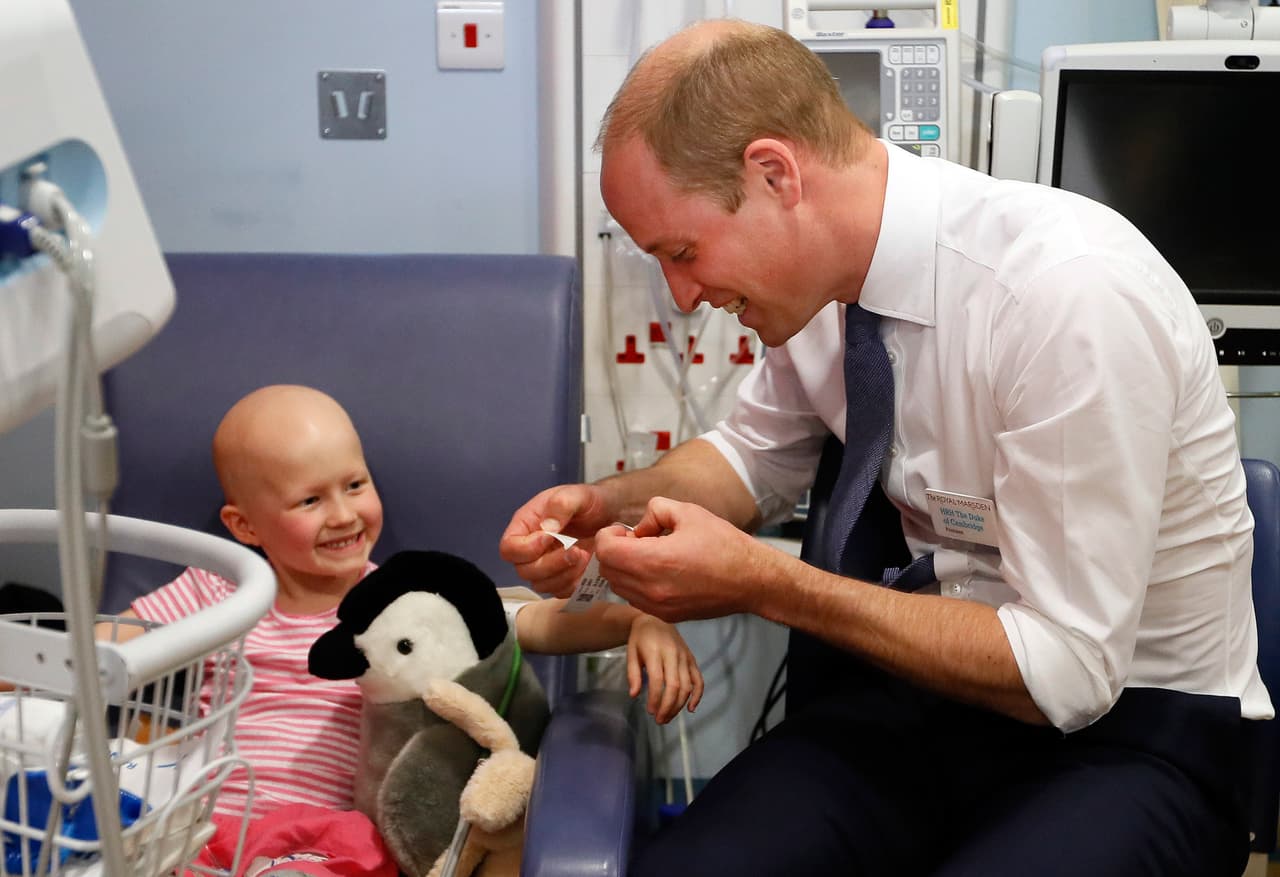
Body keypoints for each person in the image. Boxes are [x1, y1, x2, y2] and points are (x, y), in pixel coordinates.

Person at [498, 18, 1272, 877]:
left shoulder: (1062, 297)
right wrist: (611, 504)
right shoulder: (817, 297)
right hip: (928, 708)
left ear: (774, 175)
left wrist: (768, 584)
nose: (681, 296)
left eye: (683, 252)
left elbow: (1068, 670)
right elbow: (751, 458)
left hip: (1136, 729)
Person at [108, 383, 703, 876]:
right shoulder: (220, 592)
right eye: (310, 500)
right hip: (201, 833)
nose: (343, 514)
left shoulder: (410, 599)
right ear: (246, 526)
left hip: (327, 844)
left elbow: (542, 622)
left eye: (355, 485)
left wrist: (638, 619)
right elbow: (99, 647)